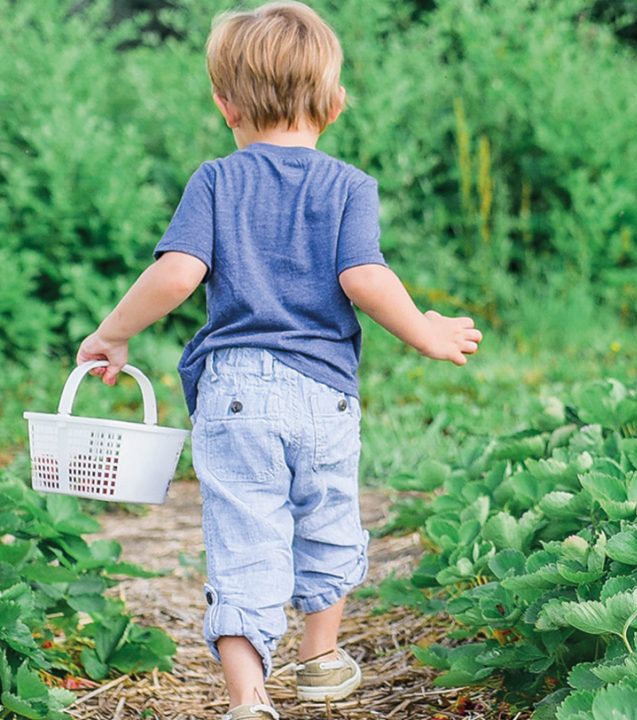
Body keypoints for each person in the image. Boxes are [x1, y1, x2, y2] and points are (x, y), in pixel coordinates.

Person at [75, 3, 482, 718]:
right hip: (324, 394)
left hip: (235, 394)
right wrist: (423, 329)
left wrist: (113, 331)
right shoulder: (348, 186)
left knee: (244, 540)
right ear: (334, 102)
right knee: (329, 520)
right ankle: (320, 659)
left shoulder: (215, 180)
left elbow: (177, 274)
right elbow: (364, 278)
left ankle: (248, 697)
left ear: (223, 104)